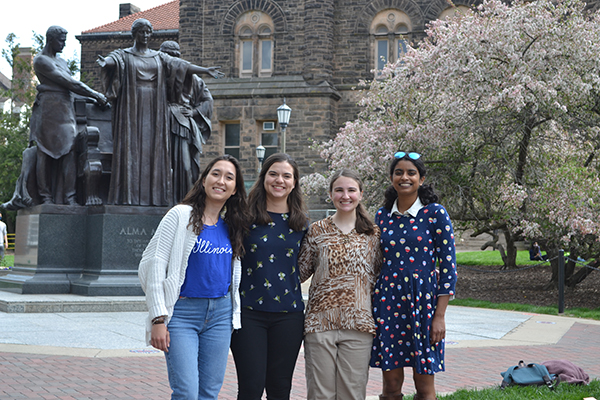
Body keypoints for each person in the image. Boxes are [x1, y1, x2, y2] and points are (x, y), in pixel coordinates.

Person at [138, 154, 248, 400]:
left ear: (234, 189)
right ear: (204, 180)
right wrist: (158, 318)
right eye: (215, 174)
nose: (221, 181)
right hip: (182, 314)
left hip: (220, 314)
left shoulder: (232, 225)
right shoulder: (179, 216)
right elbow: (152, 264)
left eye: (229, 177)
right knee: (186, 392)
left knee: (209, 392)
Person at [97, 18, 223, 206]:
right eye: (142, 32)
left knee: (158, 155)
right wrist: (106, 62)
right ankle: (129, 196)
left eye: (149, 32)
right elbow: (112, 60)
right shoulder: (124, 54)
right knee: (132, 150)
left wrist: (205, 70)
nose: (146, 36)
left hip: (156, 111)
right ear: (134, 34)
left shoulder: (159, 57)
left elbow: (182, 66)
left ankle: (159, 198)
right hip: (132, 106)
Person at [370, 151, 457, 400]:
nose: (404, 177)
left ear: (421, 178)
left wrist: (439, 316)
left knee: (424, 387)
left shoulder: (435, 214)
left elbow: (449, 268)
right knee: (391, 386)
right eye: (399, 172)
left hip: (423, 306)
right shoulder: (381, 216)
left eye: (411, 173)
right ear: (391, 178)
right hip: (387, 304)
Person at [230, 153, 309, 400]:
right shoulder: (242, 218)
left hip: (289, 315)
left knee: (279, 388)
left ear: (294, 182)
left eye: (287, 176)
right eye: (273, 174)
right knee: (251, 387)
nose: (280, 180)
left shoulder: (303, 225)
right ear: (264, 177)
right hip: (248, 313)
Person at [298, 169, 382, 400]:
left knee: (352, 394)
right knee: (320, 394)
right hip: (320, 323)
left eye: (351, 190)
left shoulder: (373, 234)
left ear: (361, 194)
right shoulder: (317, 230)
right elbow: (299, 272)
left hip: (359, 324)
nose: (345, 196)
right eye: (339, 190)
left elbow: (383, 275)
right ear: (331, 194)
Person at [31, 25, 107, 205]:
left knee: (70, 150)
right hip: (48, 109)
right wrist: (95, 94)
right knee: (44, 151)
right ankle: (45, 196)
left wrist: (93, 99)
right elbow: (68, 82)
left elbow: (72, 87)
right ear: (50, 40)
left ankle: (70, 196)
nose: (63, 45)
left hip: (66, 108)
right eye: (61, 41)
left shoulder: (63, 62)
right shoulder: (41, 60)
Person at [159, 41, 214, 205]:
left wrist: (194, 112)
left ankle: (185, 203)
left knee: (185, 166)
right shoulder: (155, 77)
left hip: (181, 125)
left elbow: (207, 100)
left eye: (173, 56)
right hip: (157, 123)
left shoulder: (195, 80)